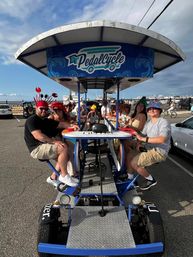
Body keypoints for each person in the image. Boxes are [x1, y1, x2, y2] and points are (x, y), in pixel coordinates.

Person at [24, 100, 78, 187]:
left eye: (45, 109)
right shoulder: (32, 120)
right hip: (36, 148)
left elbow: (61, 124)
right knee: (63, 147)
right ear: (36, 108)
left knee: (66, 155)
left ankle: (53, 178)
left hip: (43, 145)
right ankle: (64, 176)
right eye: (41, 109)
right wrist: (54, 141)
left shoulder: (45, 120)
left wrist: (72, 126)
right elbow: (38, 136)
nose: (44, 111)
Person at [126, 101, 171, 190]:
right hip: (148, 147)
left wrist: (143, 140)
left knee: (135, 163)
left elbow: (162, 139)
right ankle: (130, 179)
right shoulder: (149, 123)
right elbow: (142, 135)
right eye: (150, 109)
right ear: (147, 111)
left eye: (155, 108)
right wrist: (138, 142)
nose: (152, 110)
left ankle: (151, 180)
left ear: (159, 111)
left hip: (159, 151)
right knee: (129, 155)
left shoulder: (163, 122)